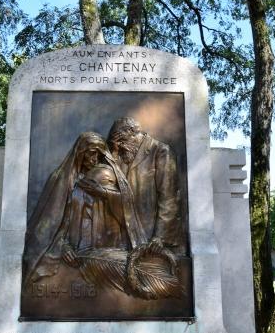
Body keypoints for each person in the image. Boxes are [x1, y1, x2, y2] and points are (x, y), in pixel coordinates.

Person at [22, 131, 145, 283]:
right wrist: (63, 246)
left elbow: (127, 212)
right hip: (74, 253)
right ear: (80, 153)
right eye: (91, 154)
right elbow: (51, 225)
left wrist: (103, 192)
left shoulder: (107, 177)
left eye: (99, 155)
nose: (94, 160)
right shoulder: (60, 180)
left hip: (106, 253)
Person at [107, 117, 184, 254]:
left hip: (152, 239)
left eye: (121, 141)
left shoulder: (160, 152)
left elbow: (169, 198)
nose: (120, 146)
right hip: (124, 238)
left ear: (132, 132)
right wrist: (113, 153)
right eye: (117, 143)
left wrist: (160, 237)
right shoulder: (121, 156)